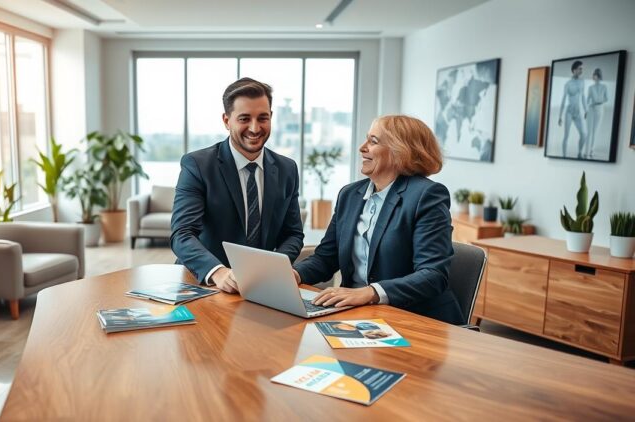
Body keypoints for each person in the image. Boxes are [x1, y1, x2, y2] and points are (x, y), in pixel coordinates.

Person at [293, 115, 464, 325]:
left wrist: (370, 293)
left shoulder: (426, 196)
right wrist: (294, 275)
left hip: (415, 319)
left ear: (400, 151)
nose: (362, 148)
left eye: (373, 142)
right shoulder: (349, 195)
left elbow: (433, 275)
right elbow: (326, 258)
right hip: (357, 316)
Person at [171, 77, 304, 293]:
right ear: (226, 120)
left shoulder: (287, 168)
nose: (255, 128)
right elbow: (182, 234)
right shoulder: (198, 165)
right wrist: (218, 271)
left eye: (263, 118)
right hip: (203, 285)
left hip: (261, 287)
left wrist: (271, 268)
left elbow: (293, 234)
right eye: (244, 118)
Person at [557, 60, 587, 158]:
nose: (581, 70)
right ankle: (564, 156)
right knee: (566, 136)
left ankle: (579, 153)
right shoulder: (568, 84)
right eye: (580, 69)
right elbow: (563, 99)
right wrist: (560, 116)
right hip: (569, 112)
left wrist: (586, 110)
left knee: (583, 134)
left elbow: (583, 97)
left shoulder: (582, 82)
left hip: (578, 112)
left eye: (582, 68)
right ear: (574, 70)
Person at [585, 68, 608, 159]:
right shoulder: (590, 88)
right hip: (591, 109)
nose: (592, 77)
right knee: (589, 131)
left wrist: (599, 101)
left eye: (594, 75)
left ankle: (591, 150)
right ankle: (586, 150)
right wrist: (586, 110)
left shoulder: (604, 87)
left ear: (598, 76)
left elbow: (606, 98)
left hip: (599, 109)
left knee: (595, 131)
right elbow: (587, 100)